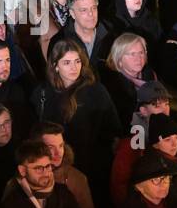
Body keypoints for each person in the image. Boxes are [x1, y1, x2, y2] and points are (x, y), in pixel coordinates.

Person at [31, 39, 120, 182]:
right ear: (56, 66)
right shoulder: (42, 93)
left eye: (77, 61)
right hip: (53, 166)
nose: (74, 67)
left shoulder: (96, 91)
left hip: (91, 166)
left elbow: (112, 130)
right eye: (67, 62)